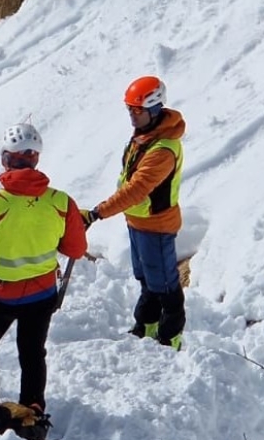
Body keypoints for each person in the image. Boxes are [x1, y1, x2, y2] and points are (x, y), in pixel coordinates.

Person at [0, 123, 87, 438]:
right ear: (35, 160)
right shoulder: (61, 202)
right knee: (32, 352)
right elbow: (76, 249)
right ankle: (34, 410)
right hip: (42, 293)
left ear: (5, 159)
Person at [82, 75, 187, 350]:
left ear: (153, 109)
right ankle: (146, 326)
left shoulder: (163, 150)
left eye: (137, 110)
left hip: (157, 225)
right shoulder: (144, 137)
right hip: (138, 222)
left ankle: (170, 337)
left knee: (165, 285)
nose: (131, 115)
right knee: (147, 279)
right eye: (129, 108)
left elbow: (136, 190)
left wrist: (96, 214)